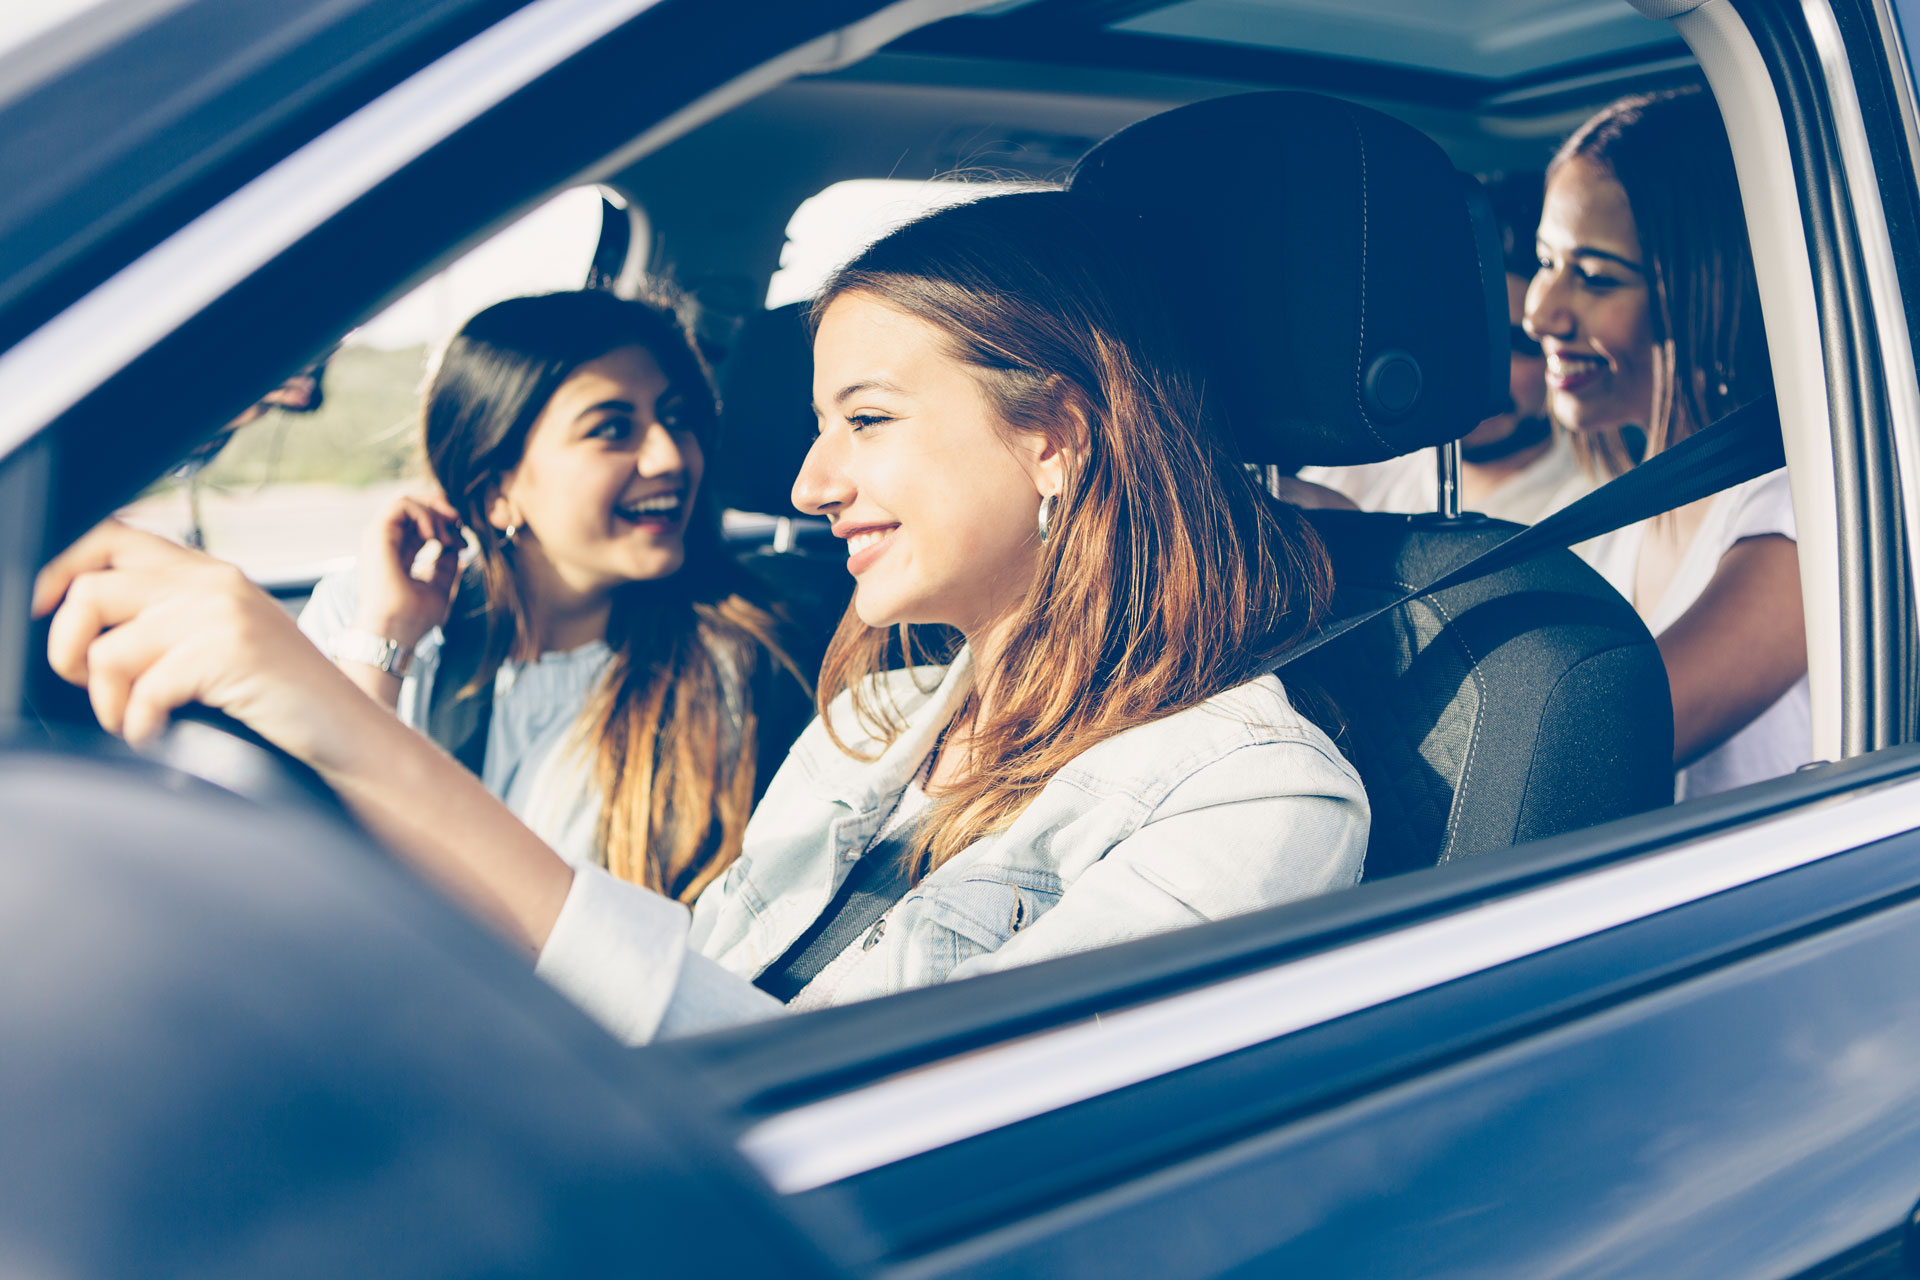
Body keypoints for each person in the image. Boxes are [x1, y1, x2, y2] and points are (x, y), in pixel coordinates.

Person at [36, 191, 1369, 1044]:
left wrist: (333, 719)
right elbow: (696, 980)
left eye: (867, 421)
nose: (805, 483)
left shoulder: (1259, 803)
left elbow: (872, 1133)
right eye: (814, 426)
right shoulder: (881, 719)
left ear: (1055, 438)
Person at [301, 289, 811, 904]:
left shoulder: (732, 663)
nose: (671, 456)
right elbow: (298, 861)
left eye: (676, 419)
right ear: (496, 489)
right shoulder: (365, 610)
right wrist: (384, 642)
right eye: (613, 430)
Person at [1525, 89, 1808, 799]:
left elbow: (1606, 738)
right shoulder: (1614, 522)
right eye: (1545, 261)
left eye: (1594, 277)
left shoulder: (1796, 516)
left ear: (1711, 289)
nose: (1539, 312)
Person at [1301, 172, 1591, 524]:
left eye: (1516, 345)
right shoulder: (1363, 466)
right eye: (1462, 341)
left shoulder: (1595, 512)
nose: (1477, 374)